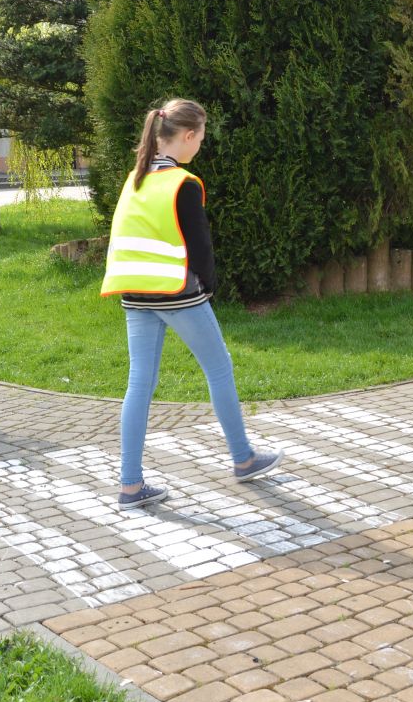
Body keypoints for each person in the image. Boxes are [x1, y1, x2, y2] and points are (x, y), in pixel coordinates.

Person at [99, 98, 281, 508]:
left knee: (139, 384)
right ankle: (244, 458)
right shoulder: (185, 183)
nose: (200, 144)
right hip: (179, 293)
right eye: (200, 136)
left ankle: (130, 485)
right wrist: (209, 287)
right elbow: (201, 248)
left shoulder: (135, 178)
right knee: (219, 370)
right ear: (187, 135)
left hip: (134, 294)